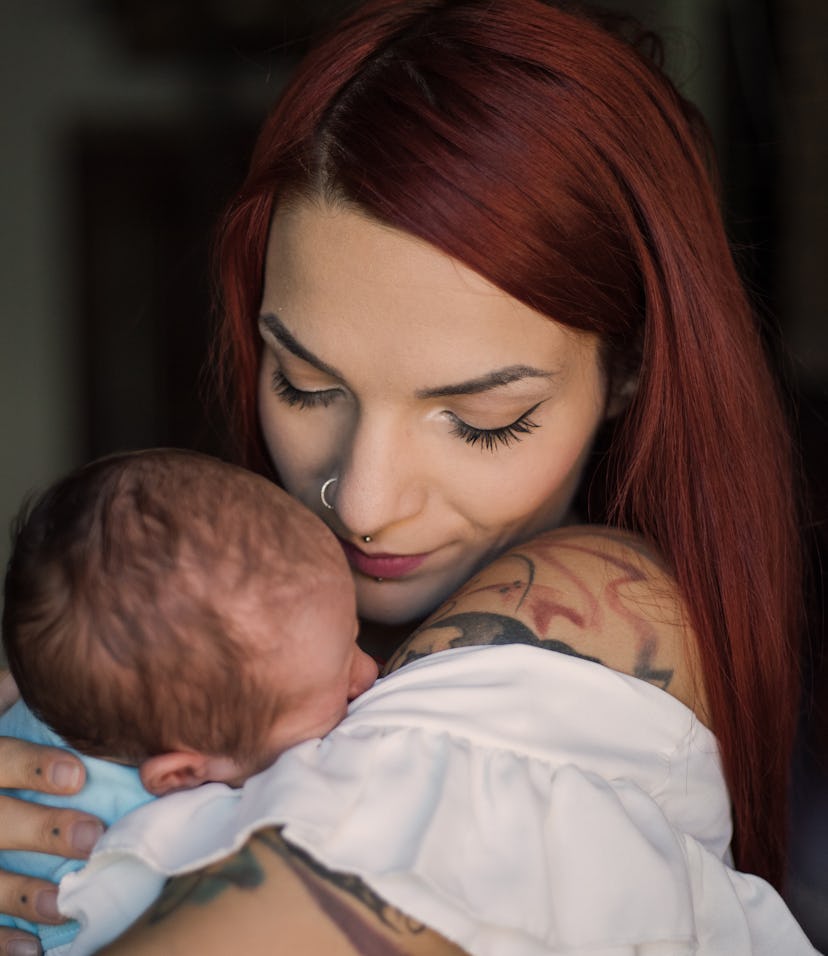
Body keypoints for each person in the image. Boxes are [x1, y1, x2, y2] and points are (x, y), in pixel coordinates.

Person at [0, 0, 818, 952]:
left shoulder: (608, 614)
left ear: (630, 369)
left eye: (481, 421)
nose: (366, 503)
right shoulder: (159, 638)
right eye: (304, 386)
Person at [0, 448, 378, 953]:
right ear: (182, 775)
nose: (369, 673)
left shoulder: (64, 701)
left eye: (353, 637)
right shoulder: (150, 854)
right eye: (336, 677)